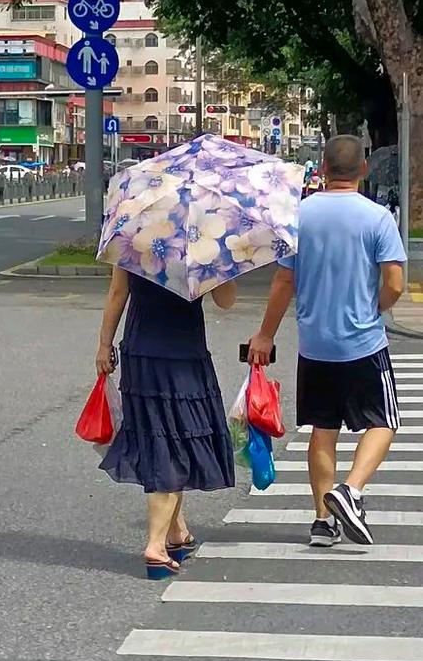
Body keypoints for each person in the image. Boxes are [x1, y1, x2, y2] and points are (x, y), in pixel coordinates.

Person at [250, 133, 406, 547]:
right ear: (364, 169)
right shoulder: (377, 218)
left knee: (323, 428)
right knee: (383, 422)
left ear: (322, 168)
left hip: (314, 344)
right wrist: (375, 308)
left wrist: (265, 334)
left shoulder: (300, 216)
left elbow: (284, 279)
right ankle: (350, 490)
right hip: (363, 343)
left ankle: (322, 521)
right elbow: (395, 281)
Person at [96, 266, 238, 578]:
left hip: (140, 351)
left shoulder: (135, 230)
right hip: (182, 354)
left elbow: (118, 291)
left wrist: (104, 344)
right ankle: (155, 545)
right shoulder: (202, 241)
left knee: (161, 436)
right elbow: (226, 301)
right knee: (175, 442)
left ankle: (177, 532)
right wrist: (224, 264)